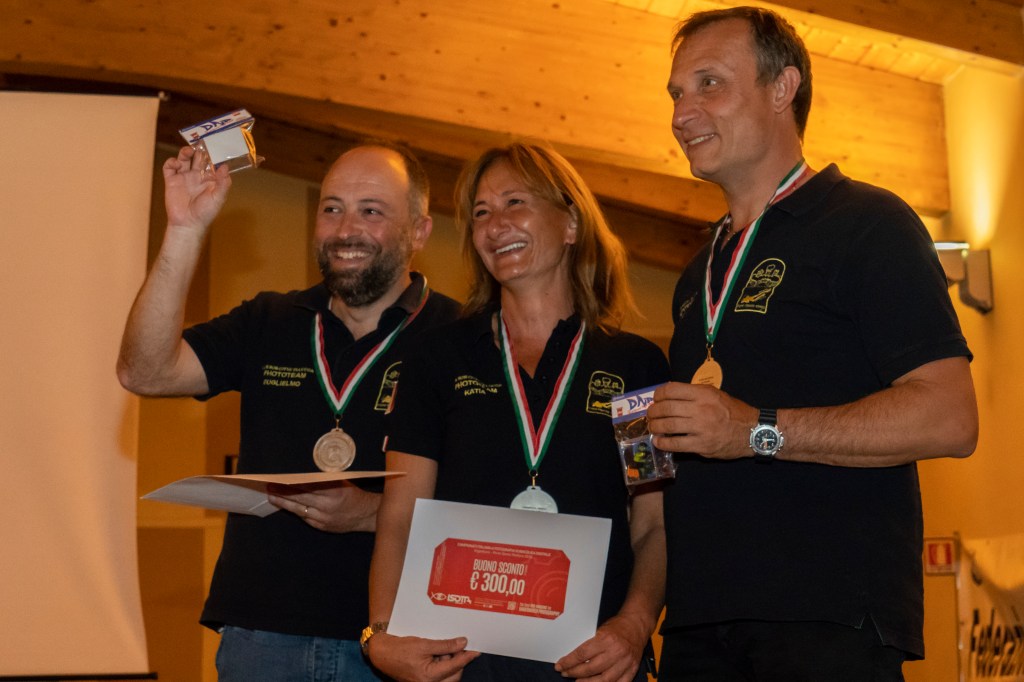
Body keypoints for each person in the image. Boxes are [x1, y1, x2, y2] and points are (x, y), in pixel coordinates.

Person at [646, 7, 979, 680]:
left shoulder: (868, 223)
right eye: (676, 93)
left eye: (709, 84)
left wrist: (754, 431)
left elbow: (950, 416)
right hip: (697, 624)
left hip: (826, 619)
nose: (682, 113)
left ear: (783, 87)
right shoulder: (697, 273)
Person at [117, 141, 461, 681]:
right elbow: (144, 371)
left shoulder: (463, 338)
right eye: (332, 208)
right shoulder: (269, 320)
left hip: (398, 641)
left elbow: (496, 500)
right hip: (261, 636)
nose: (346, 229)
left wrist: (373, 514)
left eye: (371, 211)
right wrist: (184, 230)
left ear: (419, 231)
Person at [364, 142, 670, 682]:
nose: (494, 225)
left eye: (514, 203)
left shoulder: (636, 367)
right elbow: (400, 516)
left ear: (570, 223)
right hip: (463, 664)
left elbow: (651, 525)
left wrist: (634, 625)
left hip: (592, 663)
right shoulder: (436, 358)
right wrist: (382, 635)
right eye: (481, 213)